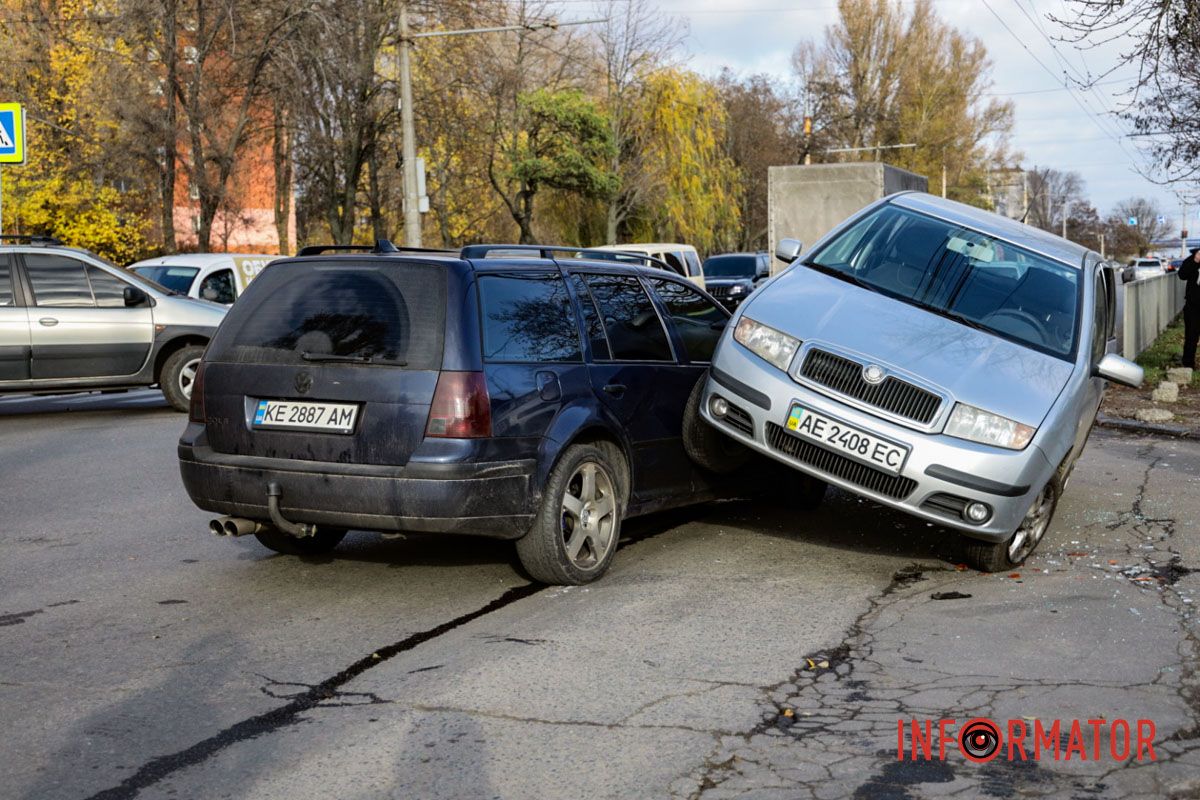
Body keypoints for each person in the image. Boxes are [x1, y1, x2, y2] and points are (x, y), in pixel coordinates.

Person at [1179, 247, 1200, 368]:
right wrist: (1195, 261)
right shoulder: (1192, 259)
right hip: (1193, 306)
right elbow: (1182, 275)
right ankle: (1188, 365)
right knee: (1191, 336)